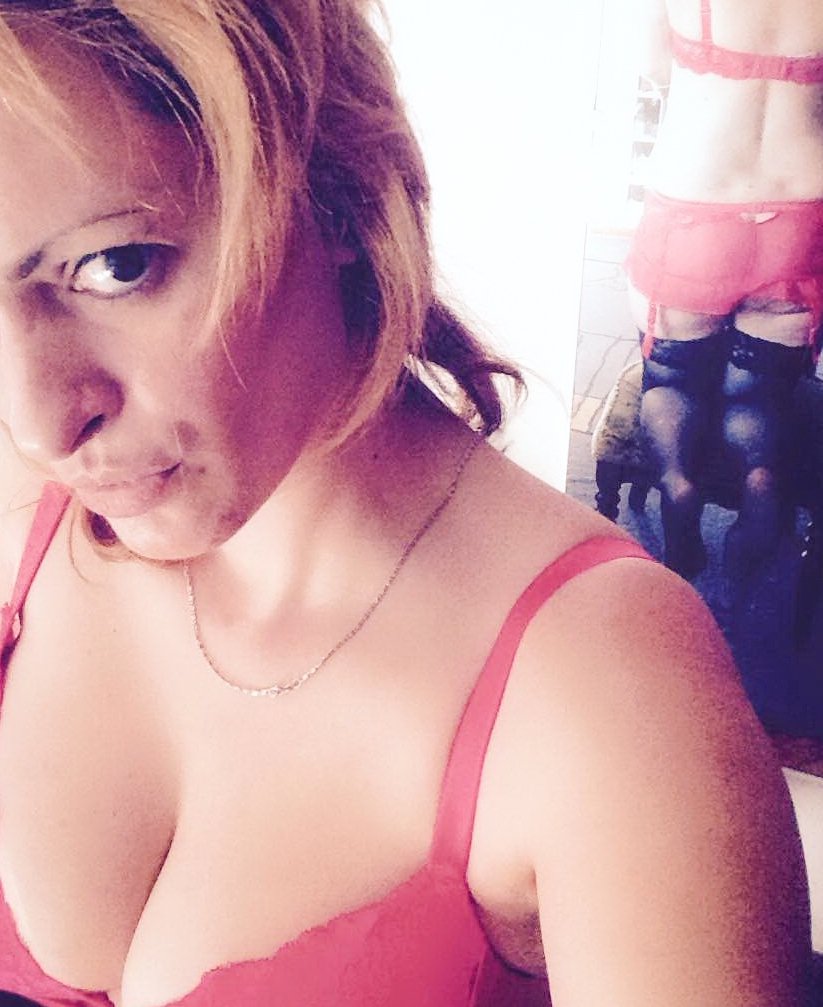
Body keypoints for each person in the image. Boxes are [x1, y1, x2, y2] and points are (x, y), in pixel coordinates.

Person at [0, 3, 811, 1006]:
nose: (38, 423)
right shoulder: (25, 512)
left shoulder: (611, 693)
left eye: (117, 265)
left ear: (334, 193)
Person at [625, 0, 823, 581]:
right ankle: (761, 479)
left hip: (695, 202)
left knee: (672, 380)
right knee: (758, 397)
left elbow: (653, 67)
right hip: (799, 211)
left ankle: (678, 485)